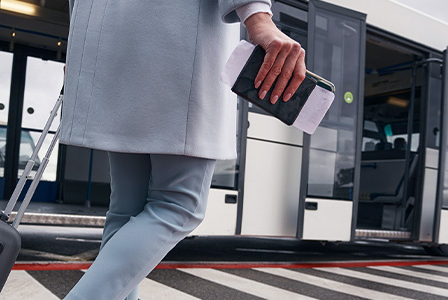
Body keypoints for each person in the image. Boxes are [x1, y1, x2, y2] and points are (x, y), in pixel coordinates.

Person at [59, 1, 306, 299]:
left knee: (126, 209)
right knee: (178, 206)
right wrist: (258, 16)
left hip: (112, 42)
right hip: (176, 39)